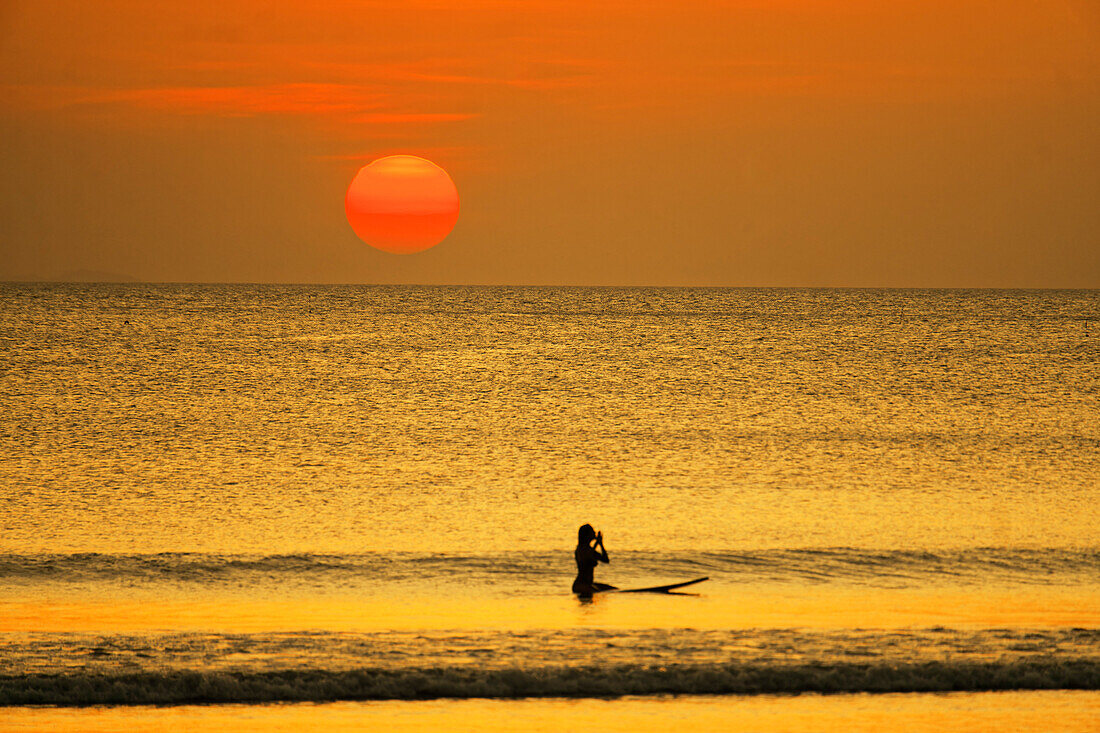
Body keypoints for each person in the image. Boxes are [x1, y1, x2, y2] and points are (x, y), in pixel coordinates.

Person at [572, 524, 615, 594]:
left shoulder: (589, 549)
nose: (595, 532)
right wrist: (596, 544)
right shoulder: (581, 549)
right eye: (592, 531)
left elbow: (605, 560)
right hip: (581, 585)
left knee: (613, 589)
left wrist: (600, 544)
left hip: (588, 584)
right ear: (587, 535)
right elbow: (590, 560)